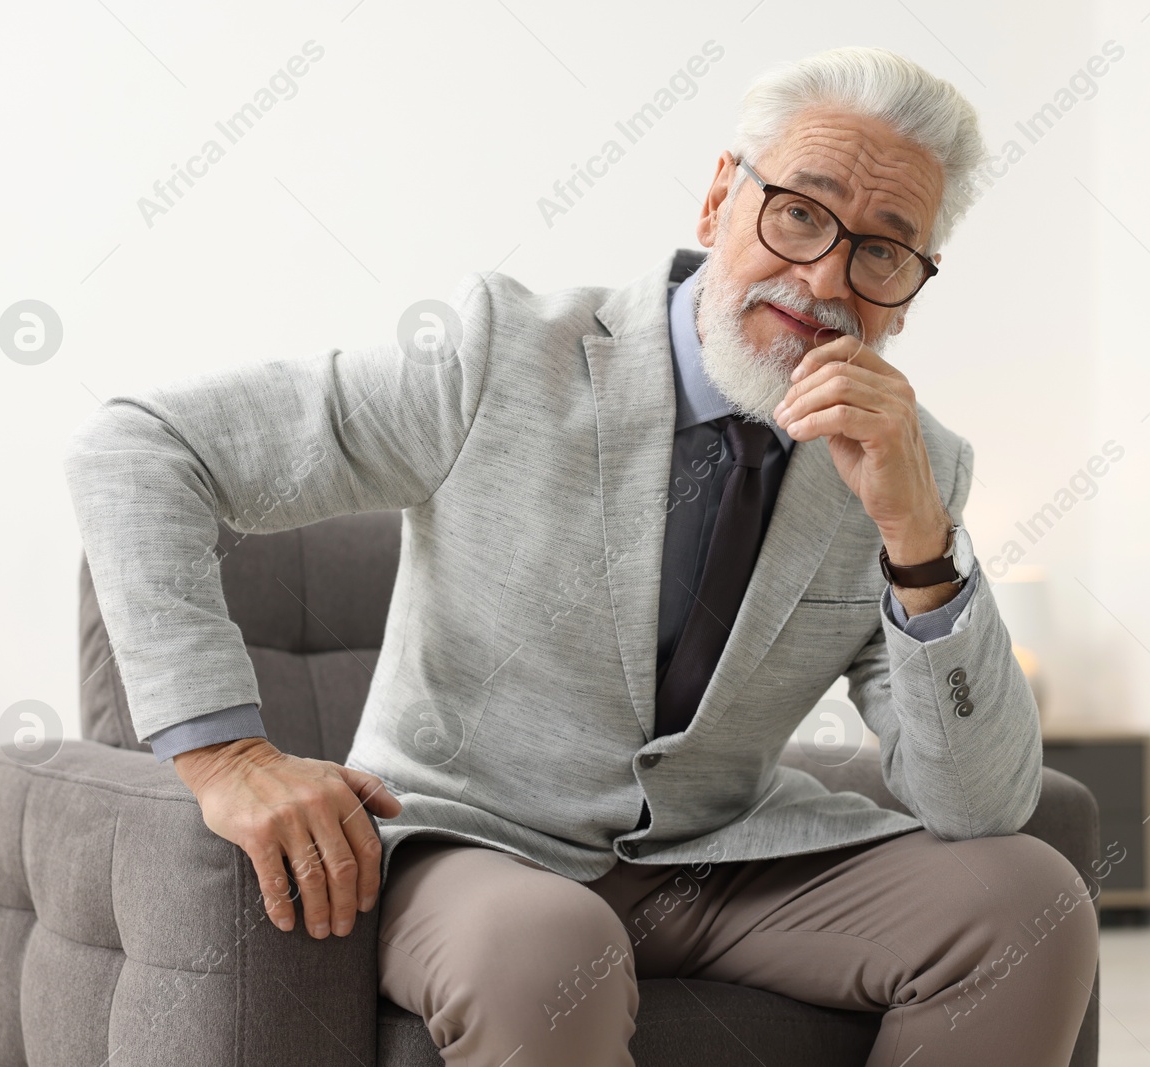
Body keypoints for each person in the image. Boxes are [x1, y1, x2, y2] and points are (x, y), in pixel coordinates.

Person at [66, 45, 1097, 1067]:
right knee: (551, 947)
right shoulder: (498, 356)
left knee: (1030, 899)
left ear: (910, 288)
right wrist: (226, 753)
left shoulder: (911, 465)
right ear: (718, 201)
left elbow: (976, 805)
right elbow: (141, 447)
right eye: (799, 210)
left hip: (724, 859)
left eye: (881, 249)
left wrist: (920, 541)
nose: (825, 275)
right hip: (469, 846)